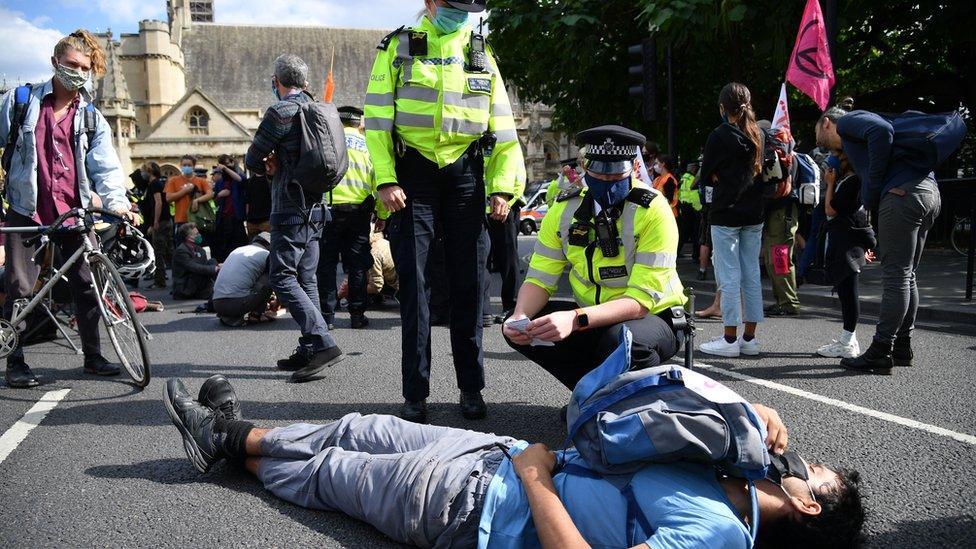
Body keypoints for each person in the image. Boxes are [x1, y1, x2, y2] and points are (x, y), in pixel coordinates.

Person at [163, 375, 865, 549]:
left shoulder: (717, 533)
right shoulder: (732, 466)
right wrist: (750, 411)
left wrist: (533, 475)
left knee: (335, 473)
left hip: (475, 509)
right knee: (358, 426)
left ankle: (229, 436)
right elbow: (670, 395)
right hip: (493, 458)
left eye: (817, 472)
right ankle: (231, 435)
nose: (806, 461)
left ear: (807, 502)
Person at [364, 0, 526, 422]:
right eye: (454, 6)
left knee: (471, 282)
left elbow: (504, 129)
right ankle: (415, 393)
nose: (462, 14)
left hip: (465, 175)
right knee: (415, 287)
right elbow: (377, 121)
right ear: (431, 3)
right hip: (411, 176)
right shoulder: (397, 47)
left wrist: (504, 189)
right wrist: (385, 179)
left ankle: (471, 388)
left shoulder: (480, 51)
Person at [0, 29, 137, 388]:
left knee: (86, 282)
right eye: (71, 64)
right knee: (19, 287)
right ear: (54, 62)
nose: (78, 72)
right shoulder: (20, 101)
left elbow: (106, 167)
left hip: (74, 213)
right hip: (26, 210)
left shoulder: (92, 117)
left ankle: (93, 355)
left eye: (84, 67)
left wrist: (118, 204)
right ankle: (16, 361)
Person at [503, 126, 686, 391]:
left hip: (656, 316)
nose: (606, 180)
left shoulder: (653, 209)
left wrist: (575, 319)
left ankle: (640, 407)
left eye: (615, 173)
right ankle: (590, 394)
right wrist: (519, 317)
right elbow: (540, 279)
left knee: (624, 340)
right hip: (591, 316)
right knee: (526, 328)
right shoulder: (564, 208)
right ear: (585, 168)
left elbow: (641, 301)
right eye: (598, 171)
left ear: (634, 168)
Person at [816, 106, 940, 374]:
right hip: (926, 192)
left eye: (816, 130)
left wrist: (872, 190)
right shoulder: (855, 140)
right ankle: (902, 347)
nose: (818, 139)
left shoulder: (848, 122)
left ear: (826, 123)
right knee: (908, 275)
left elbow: (881, 131)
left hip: (902, 195)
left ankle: (881, 350)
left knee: (896, 276)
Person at [244, 53, 344, 383]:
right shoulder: (319, 109)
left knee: (282, 277)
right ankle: (310, 347)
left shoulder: (281, 110)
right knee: (308, 278)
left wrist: (266, 165)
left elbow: (253, 157)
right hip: (317, 208)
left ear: (278, 82)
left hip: (289, 206)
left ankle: (323, 343)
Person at [697, 83, 766, 358]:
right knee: (751, 273)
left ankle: (728, 340)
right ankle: (749, 339)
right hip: (755, 211)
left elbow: (705, 175)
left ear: (723, 108)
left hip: (726, 212)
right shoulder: (760, 134)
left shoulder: (719, 136)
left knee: (728, 274)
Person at [318, 106, 385, 330]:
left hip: (329, 211)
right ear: (358, 123)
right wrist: (383, 216)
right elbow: (379, 182)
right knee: (357, 265)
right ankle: (357, 314)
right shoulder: (369, 145)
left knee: (326, 265)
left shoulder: (327, 142)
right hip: (359, 212)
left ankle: (327, 317)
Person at [816, 153, 877, 359]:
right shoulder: (851, 181)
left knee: (849, 291)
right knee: (845, 291)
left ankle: (848, 341)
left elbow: (830, 210)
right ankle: (849, 339)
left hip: (849, 247)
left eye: (838, 160)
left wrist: (830, 184)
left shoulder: (852, 182)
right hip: (848, 244)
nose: (831, 166)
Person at [761, 129, 802, 317]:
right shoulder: (789, 157)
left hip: (780, 214)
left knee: (779, 259)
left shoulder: (777, 156)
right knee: (775, 260)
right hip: (781, 213)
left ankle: (788, 303)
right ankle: (783, 302)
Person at [212, 232, 276, 327]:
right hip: (236, 304)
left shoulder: (238, 250)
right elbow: (278, 280)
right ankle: (256, 314)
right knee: (272, 276)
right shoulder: (265, 254)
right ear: (269, 245)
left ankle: (233, 314)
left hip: (216, 304)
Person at [164, 155, 212, 239]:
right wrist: (185, 191)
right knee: (181, 247)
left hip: (197, 219)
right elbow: (168, 198)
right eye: (184, 165)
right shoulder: (174, 181)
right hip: (181, 219)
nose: (186, 167)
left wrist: (197, 201)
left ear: (193, 166)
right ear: (181, 166)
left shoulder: (201, 181)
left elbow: (210, 194)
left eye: (189, 165)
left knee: (197, 246)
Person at [142, 161, 174, 289]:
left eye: (144, 170)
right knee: (168, 251)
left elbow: (158, 203)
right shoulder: (157, 184)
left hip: (161, 222)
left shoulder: (154, 185)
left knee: (159, 252)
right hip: (165, 221)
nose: (142, 173)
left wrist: (155, 221)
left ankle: (160, 281)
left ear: (149, 171)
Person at [212, 154, 248, 263]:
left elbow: (240, 179)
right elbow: (215, 200)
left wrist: (226, 168)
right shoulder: (220, 182)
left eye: (228, 164)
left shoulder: (236, 179)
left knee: (239, 246)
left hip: (236, 218)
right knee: (224, 248)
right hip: (223, 218)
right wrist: (220, 195)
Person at [172, 223, 219, 300]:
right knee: (203, 270)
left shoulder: (200, 250)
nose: (199, 235)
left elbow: (205, 265)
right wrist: (215, 268)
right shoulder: (181, 251)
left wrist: (217, 266)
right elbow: (194, 267)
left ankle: (218, 288)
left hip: (196, 282)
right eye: (196, 234)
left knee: (212, 261)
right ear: (189, 238)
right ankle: (211, 291)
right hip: (185, 287)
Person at [677, 161, 702, 262]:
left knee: (684, 233)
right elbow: (694, 196)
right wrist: (700, 209)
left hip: (684, 207)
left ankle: (676, 251)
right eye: (696, 168)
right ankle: (695, 256)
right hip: (692, 209)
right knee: (696, 233)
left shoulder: (683, 177)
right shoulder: (692, 179)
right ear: (693, 169)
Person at [243, 172, 273, 239]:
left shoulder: (270, 180)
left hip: (266, 219)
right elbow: (247, 201)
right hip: (253, 220)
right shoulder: (249, 181)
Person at [652, 153, 679, 218]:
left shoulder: (669, 179)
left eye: (656, 163)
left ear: (663, 164)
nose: (654, 165)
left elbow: (669, 199)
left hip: (669, 214)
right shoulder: (657, 179)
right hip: (660, 213)